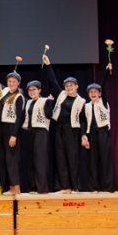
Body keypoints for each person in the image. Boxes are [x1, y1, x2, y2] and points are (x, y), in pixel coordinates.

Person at [43, 55, 86, 193]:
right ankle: (65, 187)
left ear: (77, 86)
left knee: (72, 158)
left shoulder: (81, 101)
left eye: (71, 85)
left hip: (72, 131)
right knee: (60, 158)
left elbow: (83, 120)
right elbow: (53, 80)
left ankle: (75, 187)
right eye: (67, 86)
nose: (69, 87)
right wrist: (48, 65)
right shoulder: (61, 94)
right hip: (59, 128)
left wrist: (83, 135)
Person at [82, 63, 114, 192]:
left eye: (95, 91)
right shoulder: (86, 106)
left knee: (105, 159)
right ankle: (94, 187)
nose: (93, 93)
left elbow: (103, 85)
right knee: (92, 161)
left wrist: (106, 72)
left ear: (100, 93)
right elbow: (84, 122)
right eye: (91, 92)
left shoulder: (103, 102)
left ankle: (107, 187)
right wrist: (85, 135)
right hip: (92, 134)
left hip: (103, 132)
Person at [0, 71, 25, 194]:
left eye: (14, 81)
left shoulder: (19, 97)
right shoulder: (5, 93)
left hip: (11, 128)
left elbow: (19, 117)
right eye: (9, 81)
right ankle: (10, 186)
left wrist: (14, 135)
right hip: (2, 127)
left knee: (12, 158)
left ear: (18, 83)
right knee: (4, 158)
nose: (11, 83)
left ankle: (16, 187)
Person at [22, 80, 54, 193]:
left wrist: (50, 102)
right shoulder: (28, 102)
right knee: (31, 161)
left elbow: (49, 115)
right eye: (30, 90)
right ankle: (33, 187)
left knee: (40, 160)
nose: (32, 92)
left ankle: (42, 188)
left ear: (39, 90)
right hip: (30, 132)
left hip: (41, 132)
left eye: (34, 89)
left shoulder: (45, 101)